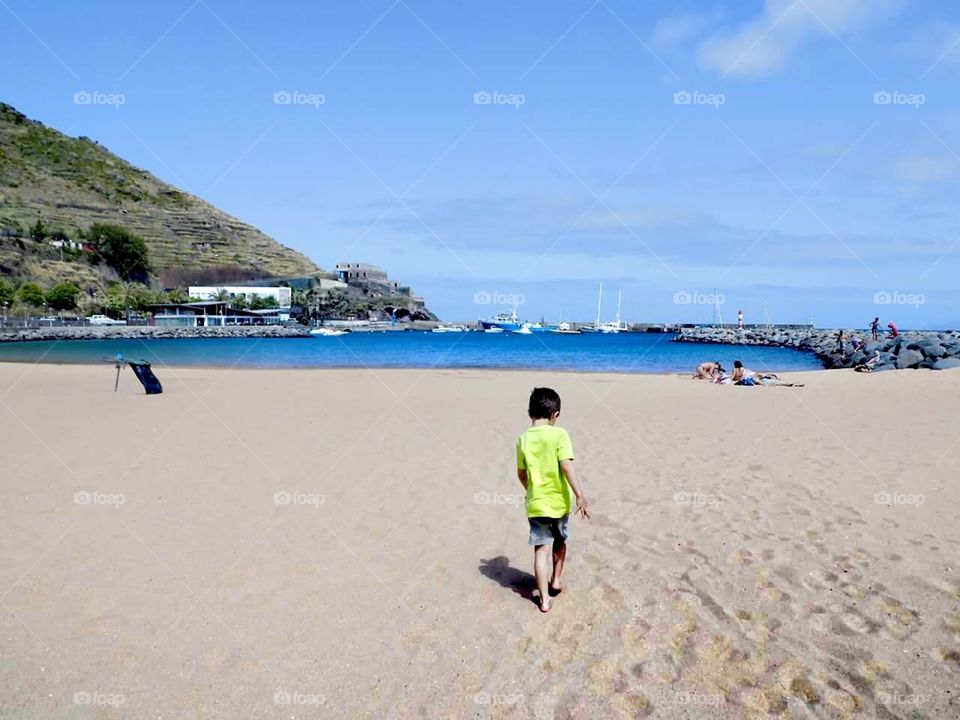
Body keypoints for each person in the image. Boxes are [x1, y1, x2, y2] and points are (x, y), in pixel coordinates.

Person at [516, 387, 589, 613]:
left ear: (529, 413)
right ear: (555, 414)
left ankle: (544, 600)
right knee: (560, 541)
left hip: (536, 504)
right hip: (558, 504)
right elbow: (566, 465)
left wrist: (532, 489)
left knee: (540, 550)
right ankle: (556, 579)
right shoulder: (559, 434)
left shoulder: (523, 439)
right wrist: (580, 495)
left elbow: (521, 473)